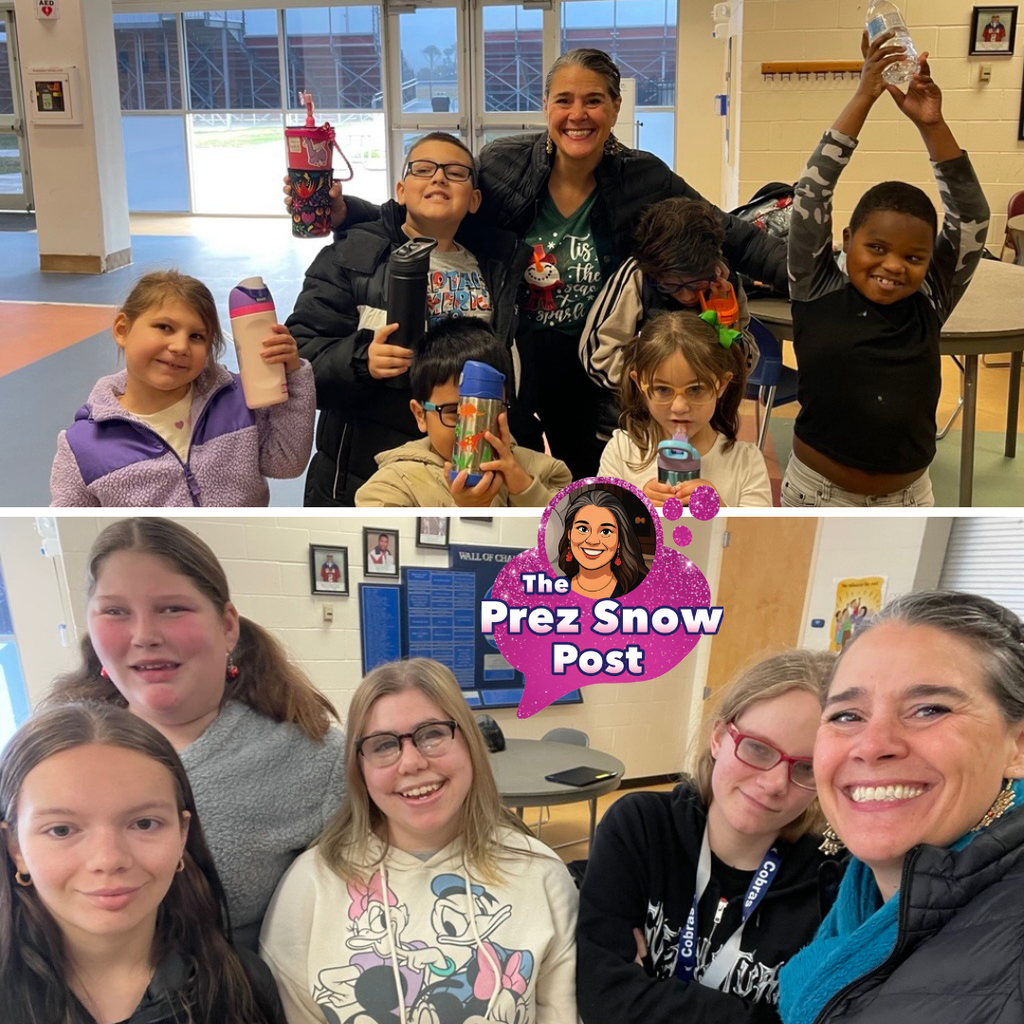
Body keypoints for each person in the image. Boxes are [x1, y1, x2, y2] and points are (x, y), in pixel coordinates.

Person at [314, 49, 786, 481]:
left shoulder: (643, 177)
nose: (577, 115)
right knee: (506, 471)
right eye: (564, 100)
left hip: (586, 369)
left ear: (616, 107)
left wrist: (806, 277)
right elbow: (437, 205)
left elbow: (728, 230)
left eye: (593, 101)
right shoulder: (503, 165)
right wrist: (349, 212)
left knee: (580, 478)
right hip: (513, 350)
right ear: (546, 106)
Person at [44, 517, 346, 952]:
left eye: (172, 609)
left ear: (227, 625)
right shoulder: (51, 754)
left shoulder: (314, 758)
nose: (145, 635)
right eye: (115, 612)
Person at [259, 658, 579, 1024]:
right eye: (383, 745)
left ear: (470, 743)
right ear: (359, 768)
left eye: (431, 734)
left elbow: (561, 1012)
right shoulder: (310, 886)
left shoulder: (541, 876)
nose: (410, 762)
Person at [778, 591, 1024, 1024]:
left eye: (928, 709)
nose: (872, 745)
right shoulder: (854, 898)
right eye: (847, 716)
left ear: (1018, 746)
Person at [781, 34, 989, 508]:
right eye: (876, 247)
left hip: (909, 499)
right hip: (817, 495)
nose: (893, 266)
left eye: (913, 258)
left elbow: (972, 215)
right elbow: (812, 191)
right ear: (847, 239)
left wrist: (931, 125)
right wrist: (865, 95)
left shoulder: (931, 298)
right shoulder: (815, 286)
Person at [577, 649, 839, 1024]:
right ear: (718, 738)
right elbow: (603, 999)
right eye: (757, 748)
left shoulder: (833, 881)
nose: (774, 783)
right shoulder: (641, 827)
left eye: (806, 768)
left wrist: (647, 994)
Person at [0, 702, 286, 1024]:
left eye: (144, 824)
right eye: (61, 830)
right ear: (15, 848)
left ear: (182, 835)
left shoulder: (245, 986)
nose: (108, 860)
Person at [288, 132, 530, 506]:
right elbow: (300, 362)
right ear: (401, 191)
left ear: (474, 200)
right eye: (423, 169)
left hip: (472, 473)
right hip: (370, 478)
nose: (439, 178)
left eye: (456, 172)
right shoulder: (352, 259)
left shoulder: (498, 268)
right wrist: (361, 359)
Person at [50, 270, 314, 507]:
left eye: (196, 336)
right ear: (122, 330)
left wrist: (292, 375)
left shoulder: (238, 400)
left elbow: (286, 461)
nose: (180, 347)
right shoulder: (83, 447)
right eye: (164, 327)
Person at [355, 319, 571, 507]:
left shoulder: (545, 471)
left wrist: (525, 490)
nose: (469, 431)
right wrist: (467, 510)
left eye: (485, 413)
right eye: (453, 412)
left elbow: (567, 535)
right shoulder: (391, 486)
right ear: (420, 415)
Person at [580, 197, 759, 396]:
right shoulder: (637, 276)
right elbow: (599, 359)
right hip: (642, 405)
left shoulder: (725, 283)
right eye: (671, 286)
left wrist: (724, 319)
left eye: (696, 284)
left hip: (704, 405)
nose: (687, 295)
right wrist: (660, 386)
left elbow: (743, 364)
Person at [598, 312, 772, 507]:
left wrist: (722, 511)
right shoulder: (621, 452)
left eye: (695, 389)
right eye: (663, 389)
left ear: (721, 385)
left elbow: (758, 527)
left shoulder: (746, 462)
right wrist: (637, 510)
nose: (679, 407)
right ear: (640, 384)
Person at [554, 487, 648, 600]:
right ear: (569, 535)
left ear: (619, 540)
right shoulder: (553, 589)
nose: (592, 541)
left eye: (605, 532)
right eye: (583, 529)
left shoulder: (644, 588)